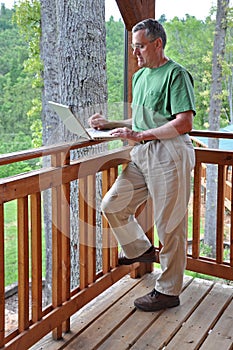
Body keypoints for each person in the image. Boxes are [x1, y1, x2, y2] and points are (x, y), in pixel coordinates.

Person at [89, 18, 195, 312]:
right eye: (133, 47)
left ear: (157, 44)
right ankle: (141, 249)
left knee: (169, 225)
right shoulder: (140, 77)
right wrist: (109, 124)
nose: (135, 53)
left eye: (140, 47)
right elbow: (140, 121)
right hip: (143, 154)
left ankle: (168, 291)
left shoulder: (176, 74)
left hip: (170, 153)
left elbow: (184, 122)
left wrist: (141, 135)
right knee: (112, 204)